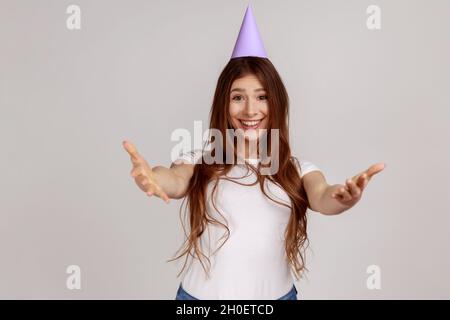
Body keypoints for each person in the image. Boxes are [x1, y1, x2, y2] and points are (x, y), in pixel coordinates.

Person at [122, 4, 385, 300]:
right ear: (224, 103)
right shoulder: (200, 160)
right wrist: (154, 178)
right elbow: (174, 178)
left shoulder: (295, 168)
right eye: (238, 97)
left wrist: (344, 197)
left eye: (262, 97)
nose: (250, 109)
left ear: (277, 105)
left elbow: (323, 196)